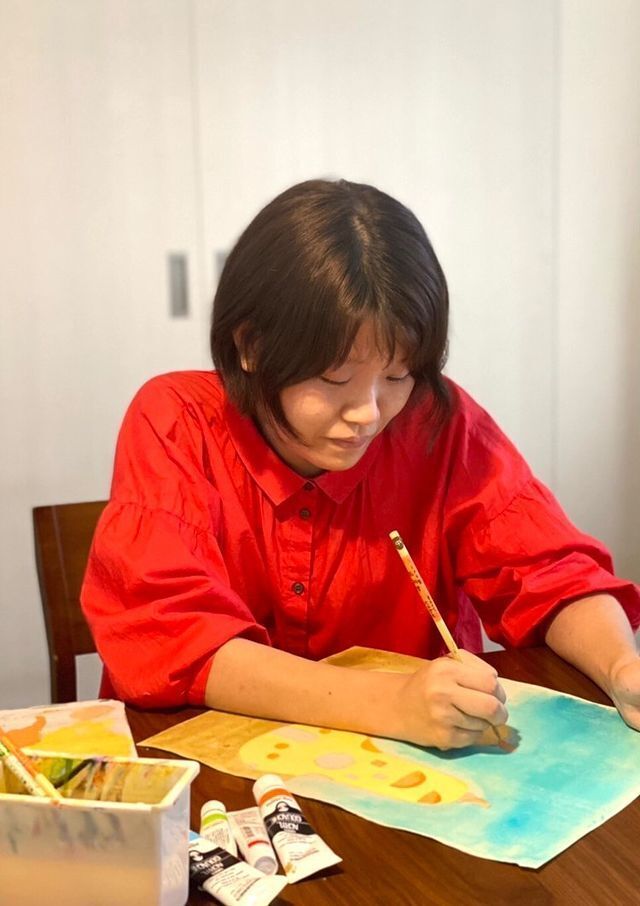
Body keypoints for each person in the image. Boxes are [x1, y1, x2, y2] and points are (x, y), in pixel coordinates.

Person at [81, 178, 640, 750]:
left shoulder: (437, 424)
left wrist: (622, 666)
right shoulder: (177, 419)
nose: (369, 413)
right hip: (211, 780)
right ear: (251, 346)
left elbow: (551, 572)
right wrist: (390, 703)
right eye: (334, 377)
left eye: (397, 375)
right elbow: (169, 633)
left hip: (412, 780)